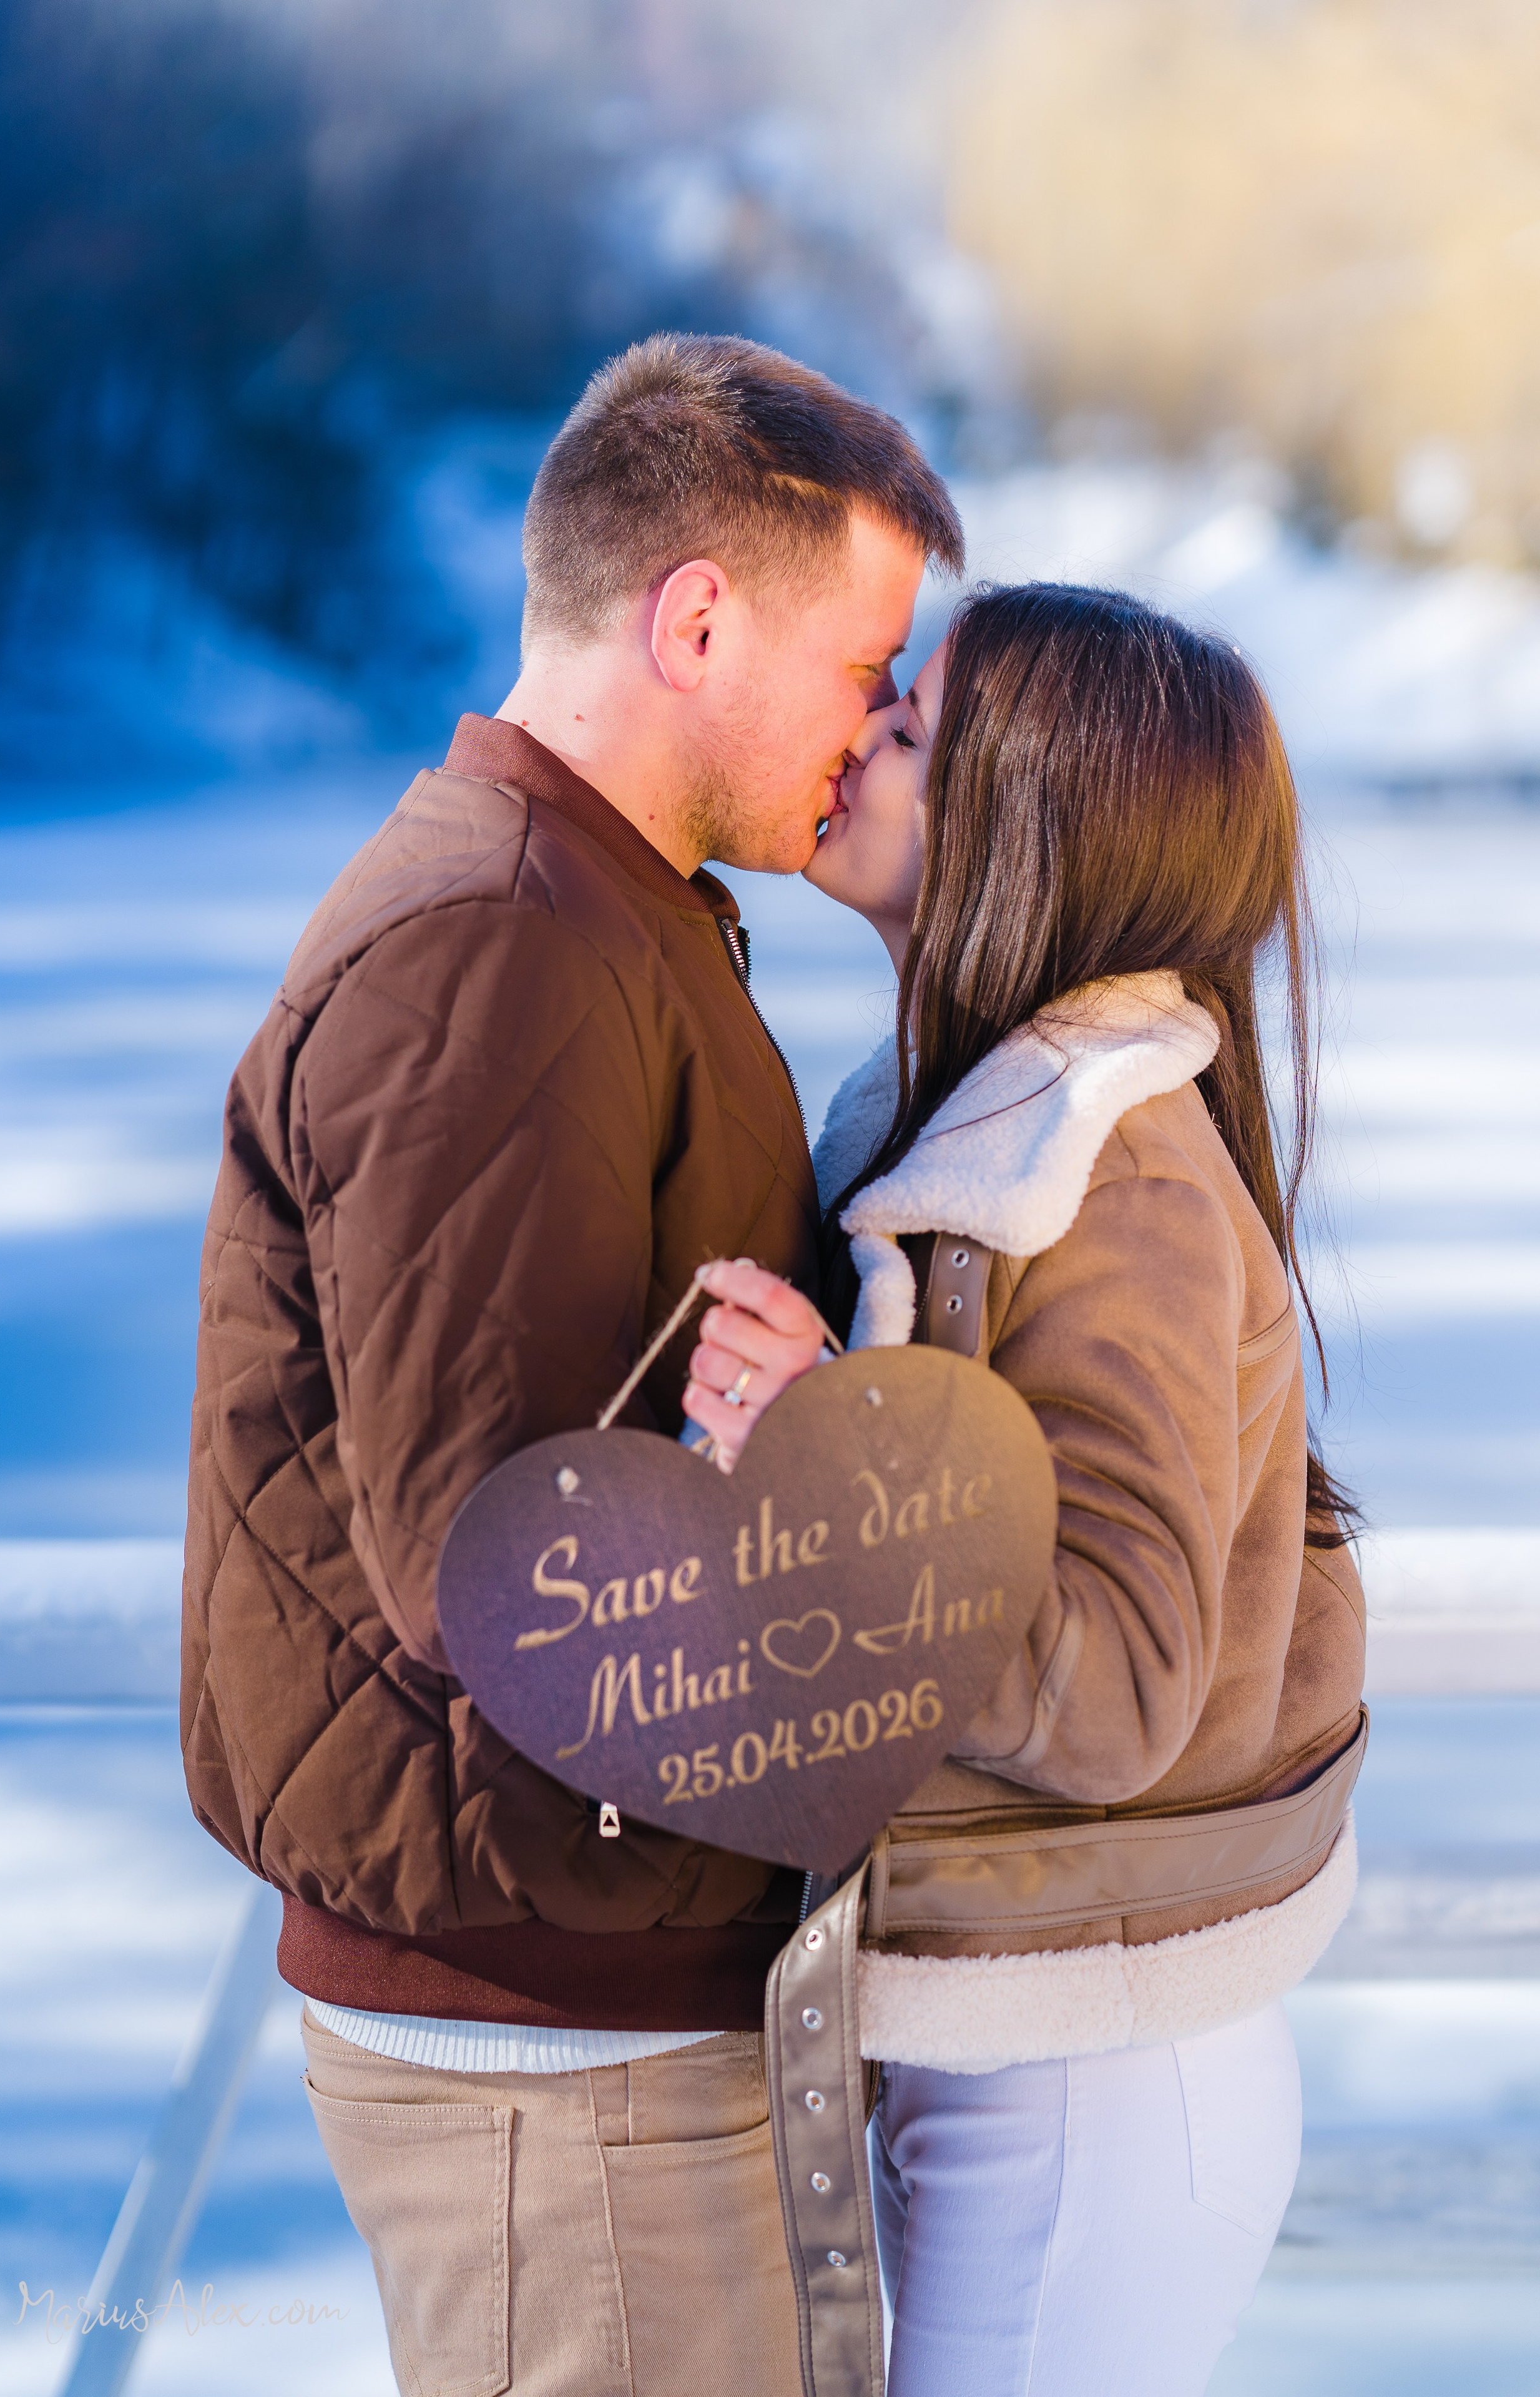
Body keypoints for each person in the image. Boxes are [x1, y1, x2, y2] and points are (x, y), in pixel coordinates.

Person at [180, 332, 963, 2397]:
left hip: (599, 1989)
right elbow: (512, 1567)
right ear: (697, 617)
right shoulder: (503, 944)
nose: (878, 721)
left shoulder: (607, 910)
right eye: (863, 660)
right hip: (555, 2041)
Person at [687, 584, 1368, 2397]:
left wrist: (827, 1444)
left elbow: (1119, 1681)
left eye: (909, 730)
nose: (859, 740)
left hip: (1094, 2074)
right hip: (1014, 2023)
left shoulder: (1112, 1171)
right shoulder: (965, 1132)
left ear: (1029, 824)